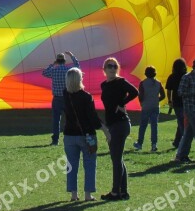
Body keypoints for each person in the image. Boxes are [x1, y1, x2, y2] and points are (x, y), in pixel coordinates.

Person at [63, 68, 110, 201]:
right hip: (87, 135)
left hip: (69, 135)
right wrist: (105, 129)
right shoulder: (86, 97)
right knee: (89, 165)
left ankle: (73, 194)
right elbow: (93, 118)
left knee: (71, 165)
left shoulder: (65, 95)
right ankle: (88, 194)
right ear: (80, 80)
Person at [100, 58, 138, 201]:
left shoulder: (121, 82)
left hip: (120, 124)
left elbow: (135, 92)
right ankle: (123, 192)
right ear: (104, 69)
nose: (112, 68)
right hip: (111, 125)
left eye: (115, 66)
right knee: (117, 158)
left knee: (116, 159)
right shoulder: (103, 85)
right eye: (109, 66)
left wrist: (122, 103)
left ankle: (116, 192)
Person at [42, 51, 79, 146]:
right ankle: (69, 137)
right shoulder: (69, 70)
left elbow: (44, 72)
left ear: (57, 61)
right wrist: (72, 55)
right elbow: (77, 66)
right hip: (68, 98)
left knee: (56, 120)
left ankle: (55, 140)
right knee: (70, 119)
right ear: (65, 61)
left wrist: (52, 64)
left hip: (57, 99)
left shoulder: (54, 70)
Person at [133, 66, 165, 152]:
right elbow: (163, 95)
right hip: (155, 106)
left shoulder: (142, 83)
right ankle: (154, 144)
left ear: (146, 74)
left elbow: (141, 96)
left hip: (146, 107)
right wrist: (156, 99)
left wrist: (142, 102)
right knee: (154, 126)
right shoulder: (158, 83)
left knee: (143, 126)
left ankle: (139, 143)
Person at [166, 58, 187, 148]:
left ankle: (177, 142)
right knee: (182, 123)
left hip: (176, 103)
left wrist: (170, 100)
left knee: (180, 122)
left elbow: (169, 90)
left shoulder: (172, 76)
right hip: (185, 102)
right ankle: (184, 142)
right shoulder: (186, 76)